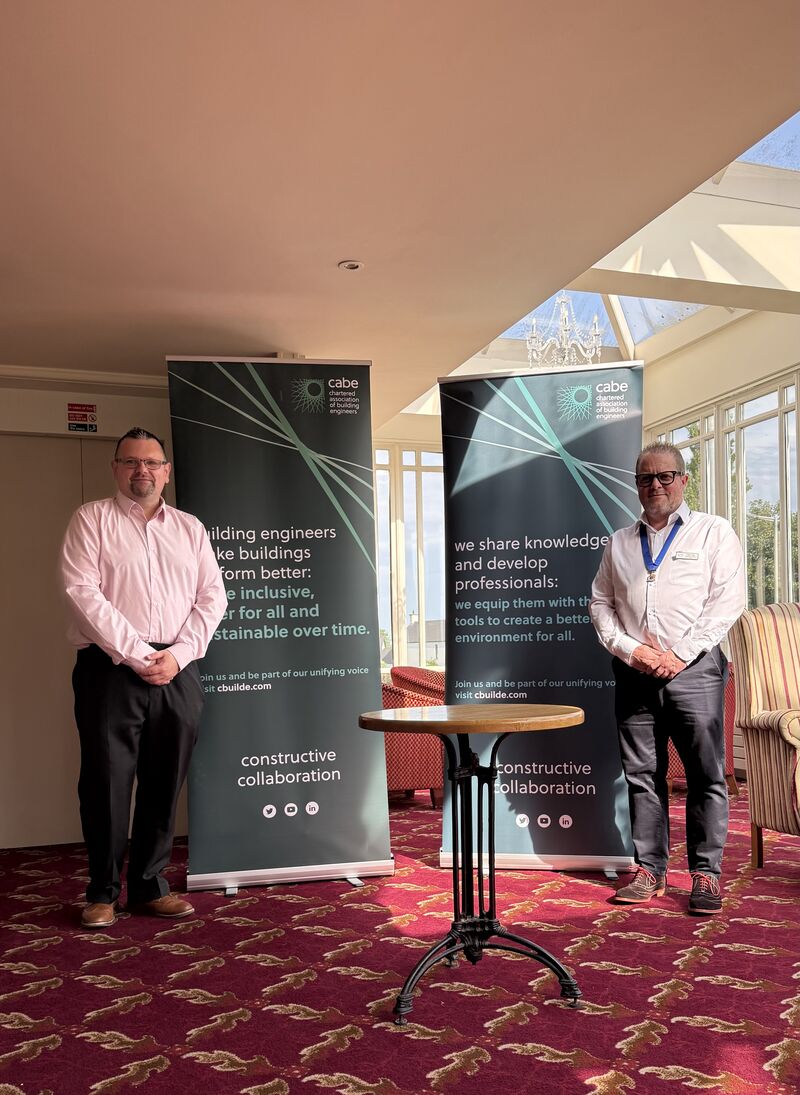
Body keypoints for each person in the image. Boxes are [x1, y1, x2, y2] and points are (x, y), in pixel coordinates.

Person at [60, 427, 227, 928]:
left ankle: (150, 887)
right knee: (106, 783)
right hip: (109, 667)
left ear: (166, 471)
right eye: (131, 462)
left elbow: (212, 598)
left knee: (164, 780)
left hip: (177, 669)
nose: (142, 471)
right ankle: (103, 893)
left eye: (152, 462)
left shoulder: (190, 528)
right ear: (116, 468)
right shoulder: (91, 519)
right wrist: (137, 654)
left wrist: (176, 655)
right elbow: (82, 593)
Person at [589, 442, 745, 915]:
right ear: (636, 485)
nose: (654, 485)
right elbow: (600, 603)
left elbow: (727, 601)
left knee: (705, 775)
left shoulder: (713, 533)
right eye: (644, 478)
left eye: (664, 476)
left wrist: (677, 655)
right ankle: (650, 869)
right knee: (641, 776)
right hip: (634, 672)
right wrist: (631, 649)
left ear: (684, 479)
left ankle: (705, 874)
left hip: (694, 671)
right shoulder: (618, 542)